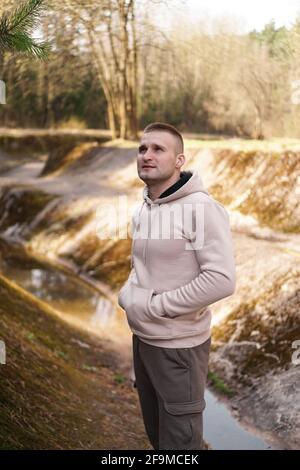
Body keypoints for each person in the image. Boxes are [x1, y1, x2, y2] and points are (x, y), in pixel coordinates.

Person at [118, 122, 236, 450]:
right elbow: (139, 267)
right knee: (159, 440)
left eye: (158, 149)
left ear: (179, 161)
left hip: (179, 348)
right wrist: (129, 296)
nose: (147, 155)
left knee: (180, 447)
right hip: (144, 341)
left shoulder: (202, 209)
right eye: (142, 149)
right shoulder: (146, 206)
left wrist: (157, 306)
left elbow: (222, 280)